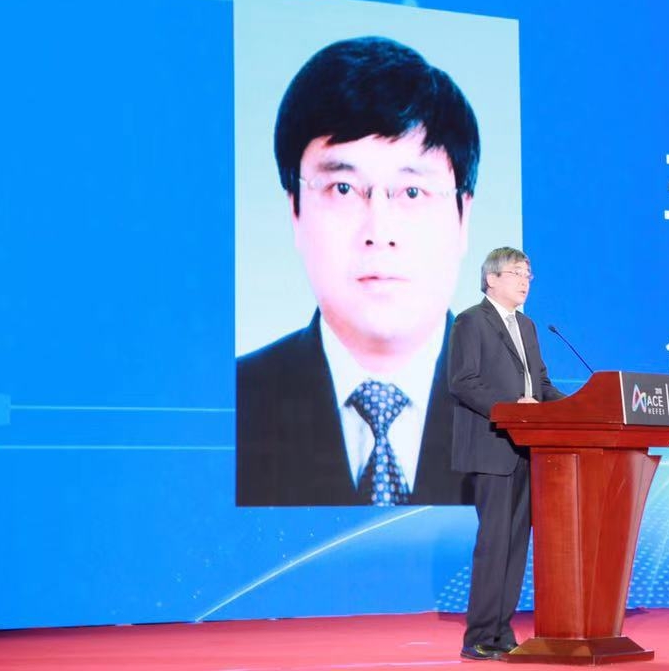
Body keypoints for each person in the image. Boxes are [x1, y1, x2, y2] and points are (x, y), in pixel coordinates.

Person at [236, 36, 479, 506]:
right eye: (344, 189)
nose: (379, 232)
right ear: (294, 210)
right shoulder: (233, 405)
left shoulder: (522, 413)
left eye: (411, 193)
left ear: (462, 217)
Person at [449, 247, 565, 661]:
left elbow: (541, 386)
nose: (525, 281)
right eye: (517, 272)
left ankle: (502, 633)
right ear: (491, 278)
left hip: (528, 452)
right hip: (492, 448)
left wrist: (575, 407)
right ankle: (479, 636)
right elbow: (463, 382)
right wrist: (512, 408)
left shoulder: (528, 326)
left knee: (516, 547)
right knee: (494, 544)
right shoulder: (470, 321)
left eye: (528, 274)